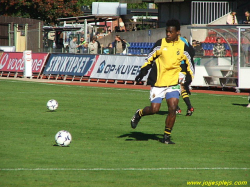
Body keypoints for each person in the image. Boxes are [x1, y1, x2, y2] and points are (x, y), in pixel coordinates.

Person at [130, 19, 194, 144]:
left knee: (173, 108)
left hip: (173, 83)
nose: (168, 34)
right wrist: (142, 72)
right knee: (155, 109)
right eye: (167, 32)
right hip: (159, 82)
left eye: (171, 32)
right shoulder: (160, 43)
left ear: (177, 32)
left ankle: (166, 137)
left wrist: (188, 80)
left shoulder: (183, 46)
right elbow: (149, 58)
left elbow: (190, 63)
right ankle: (139, 113)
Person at [176, 36, 195, 116]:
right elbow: (192, 52)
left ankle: (177, 108)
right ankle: (189, 107)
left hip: (179, 67)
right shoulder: (184, 40)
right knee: (182, 88)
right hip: (184, 68)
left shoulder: (177, 41)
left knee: (170, 88)